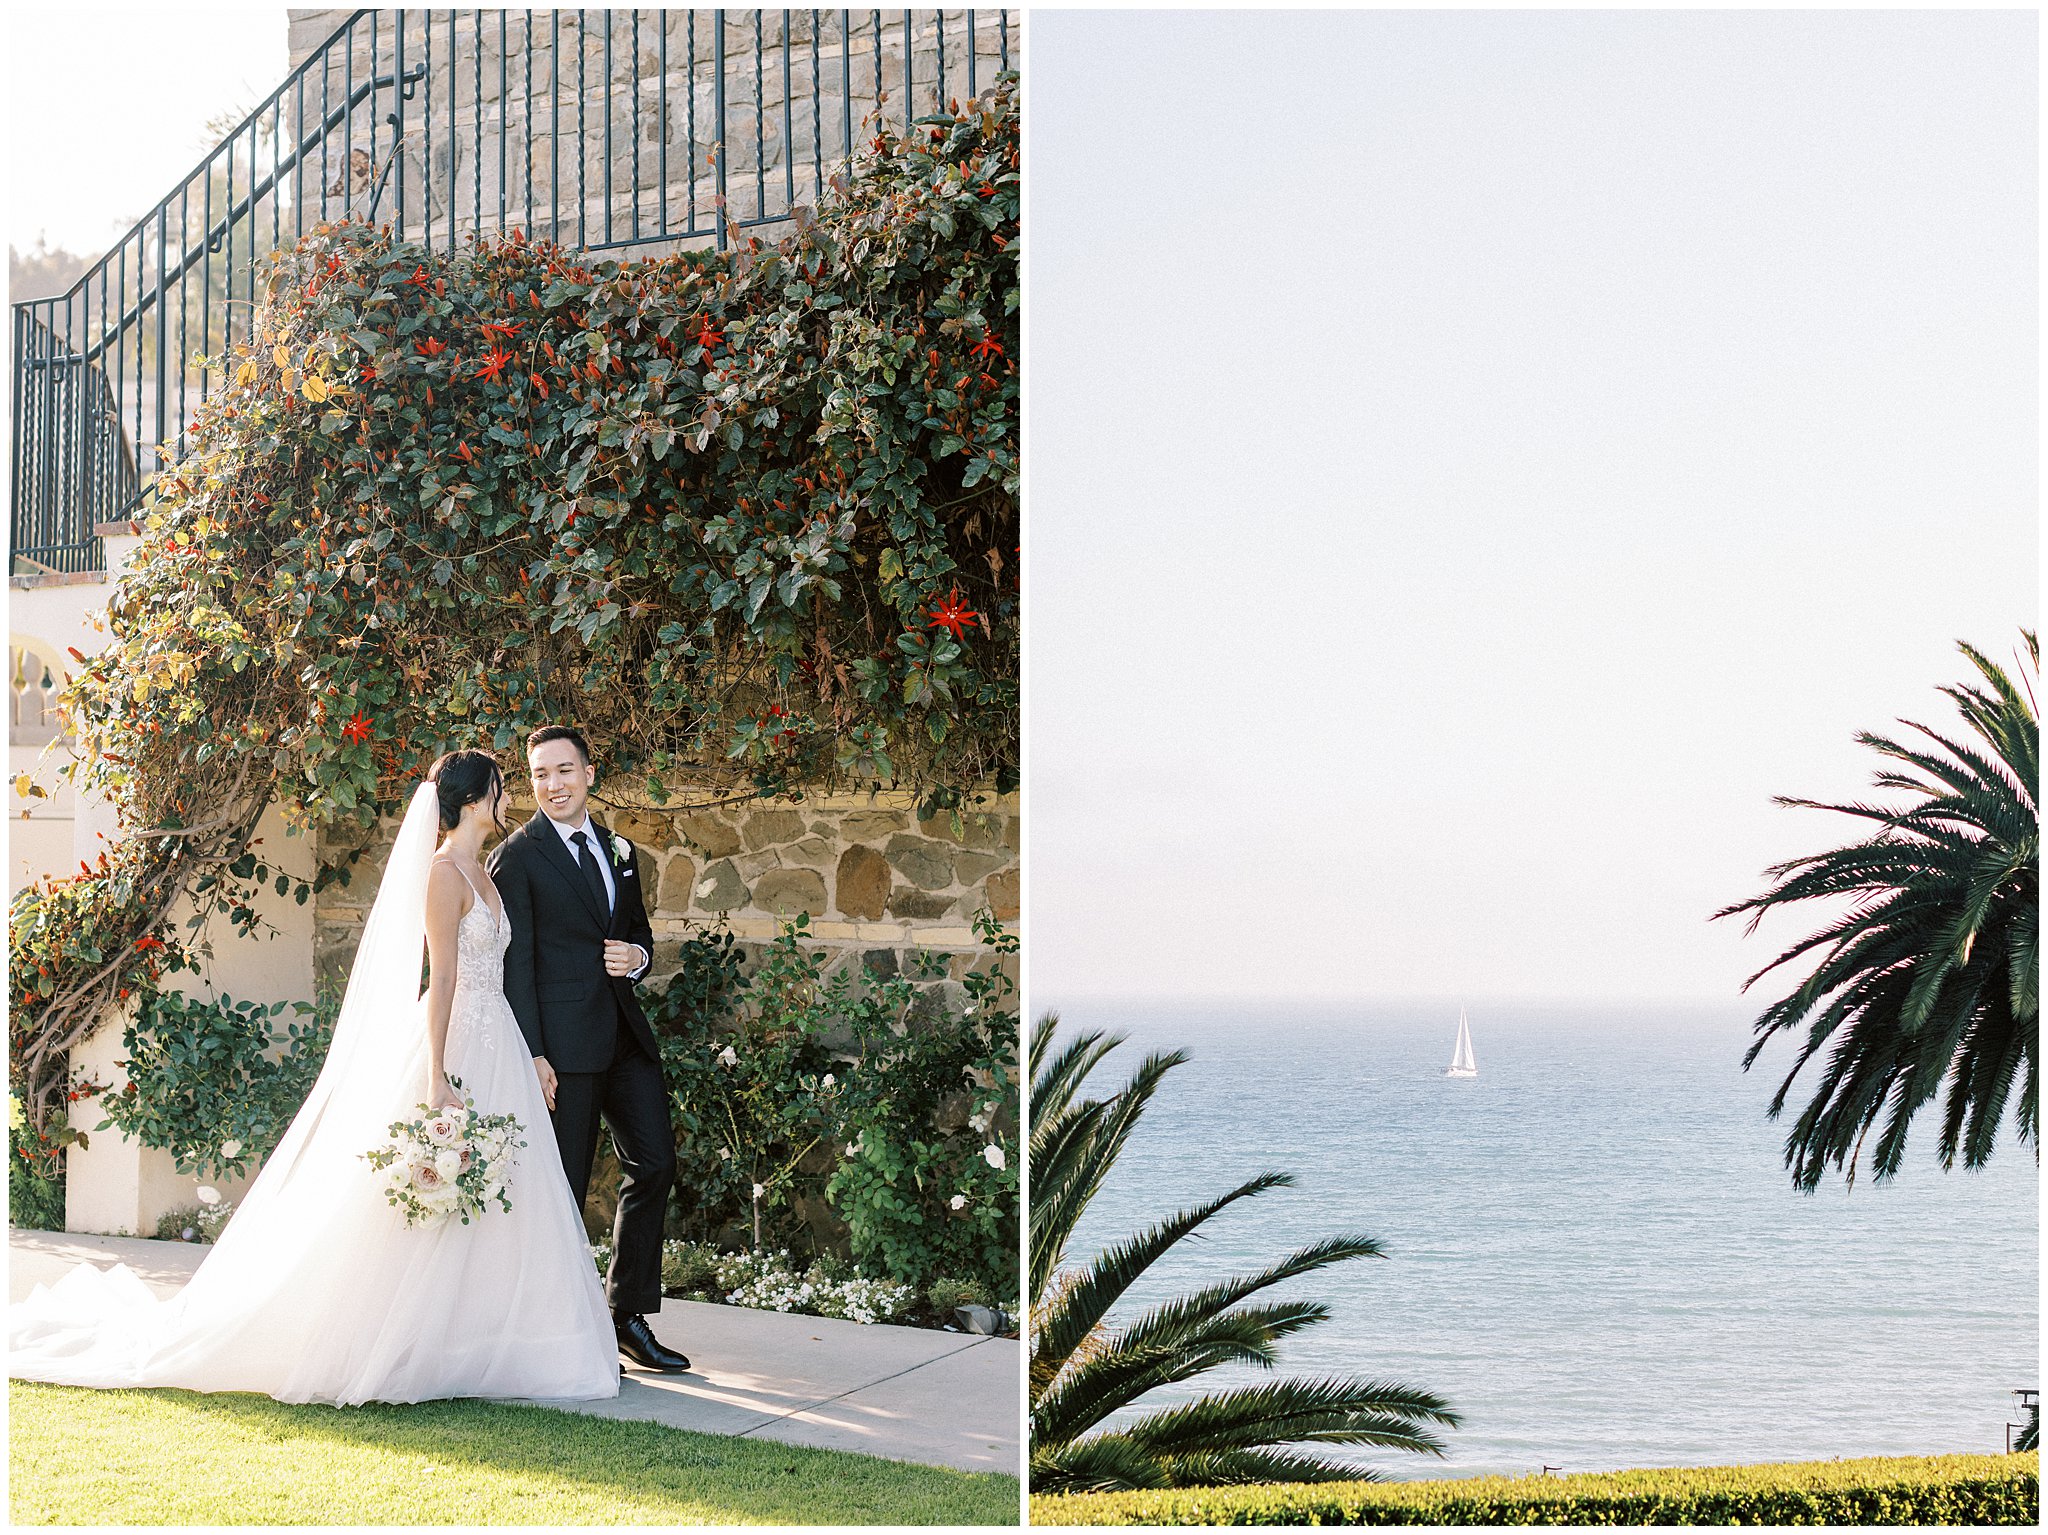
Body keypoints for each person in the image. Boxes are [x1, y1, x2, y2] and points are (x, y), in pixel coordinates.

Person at [7, 753, 619, 1405]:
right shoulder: (444, 875)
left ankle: (492, 1337)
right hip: (459, 1041)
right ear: (473, 800)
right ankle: (409, 1338)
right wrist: (437, 1076)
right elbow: (440, 980)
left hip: (500, 1037)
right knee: (434, 1195)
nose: (509, 797)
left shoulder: (486, 870)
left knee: (506, 1192)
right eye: (500, 787)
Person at [489, 724, 689, 1373]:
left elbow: (636, 931)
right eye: (540, 773)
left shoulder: (617, 847)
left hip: (624, 1037)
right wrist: (534, 1054)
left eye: (564, 770)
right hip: (563, 1052)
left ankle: (626, 1315)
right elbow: (512, 964)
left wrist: (638, 957)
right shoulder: (517, 857)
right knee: (562, 1189)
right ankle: (546, 1331)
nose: (552, 784)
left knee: (655, 1161)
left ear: (590, 773)